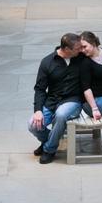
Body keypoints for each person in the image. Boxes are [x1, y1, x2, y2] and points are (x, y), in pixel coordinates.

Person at [28, 33, 84, 164]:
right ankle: (49, 140)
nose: (81, 50)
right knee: (32, 125)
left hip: (73, 100)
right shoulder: (47, 62)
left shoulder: (81, 58)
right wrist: (37, 110)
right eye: (77, 48)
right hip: (52, 100)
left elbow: (99, 61)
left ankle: (49, 150)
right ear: (66, 49)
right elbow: (40, 89)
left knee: (61, 114)